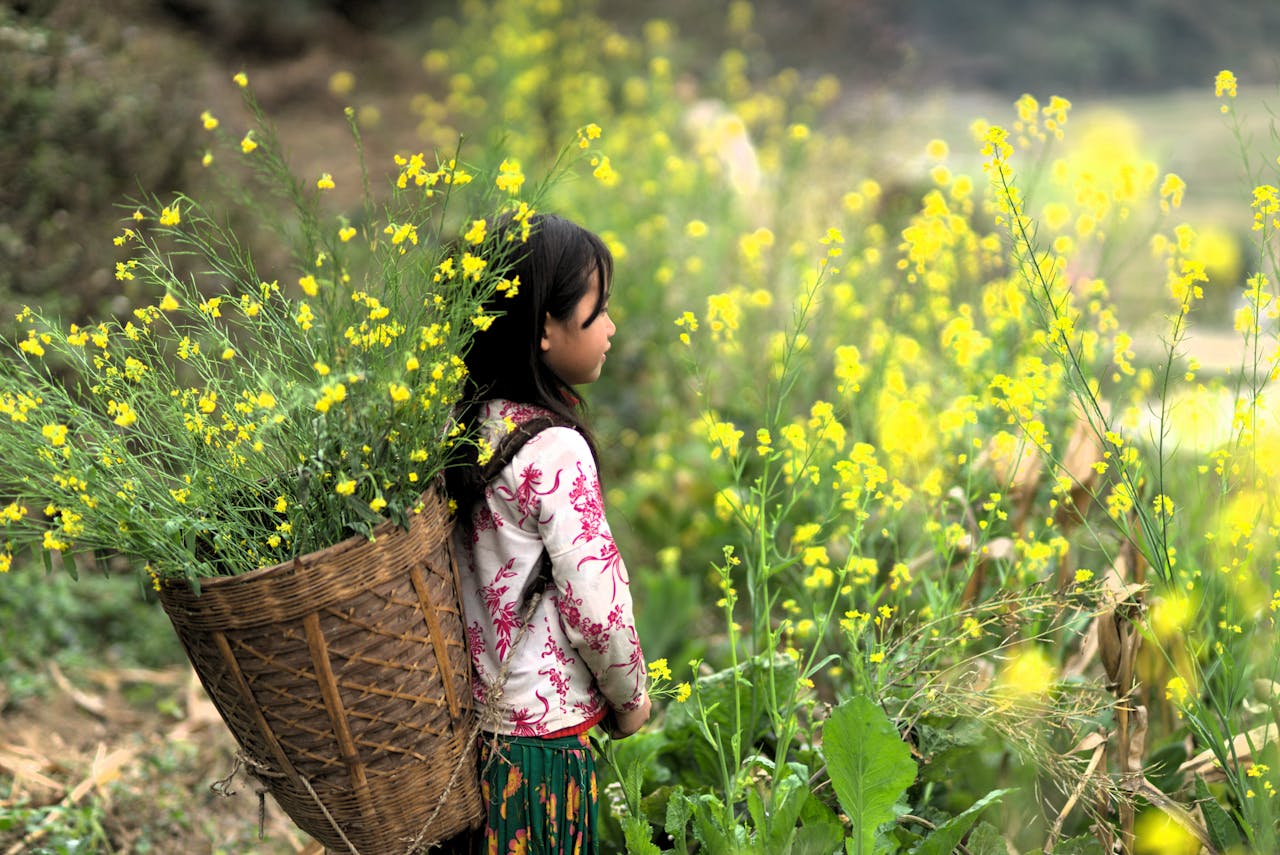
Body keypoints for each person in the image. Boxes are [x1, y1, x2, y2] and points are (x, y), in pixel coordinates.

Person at [446, 212, 651, 855]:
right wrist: (632, 698)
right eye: (598, 311)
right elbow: (598, 610)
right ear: (544, 329)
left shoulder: (459, 428)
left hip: (458, 736)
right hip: (539, 749)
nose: (612, 328)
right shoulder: (554, 448)